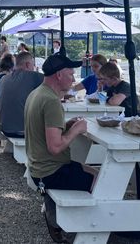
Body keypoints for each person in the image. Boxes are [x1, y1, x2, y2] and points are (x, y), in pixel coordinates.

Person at [24, 53, 93, 241]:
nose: (73, 79)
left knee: (94, 171)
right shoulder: (52, 101)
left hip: (37, 168)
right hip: (51, 172)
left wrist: (66, 126)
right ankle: (90, 228)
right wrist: (76, 130)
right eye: (71, 74)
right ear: (59, 75)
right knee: (101, 182)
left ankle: (55, 216)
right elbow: (55, 147)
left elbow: (43, 132)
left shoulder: (36, 93)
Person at [0, 52, 43, 138]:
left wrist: (0, 127)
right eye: (33, 65)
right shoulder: (36, 77)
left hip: (7, 131)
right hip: (29, 131)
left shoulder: (3, 79)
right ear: (28, 64)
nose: (33, 68)